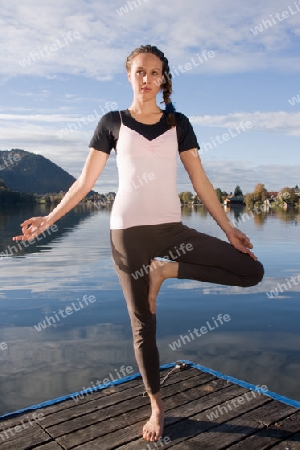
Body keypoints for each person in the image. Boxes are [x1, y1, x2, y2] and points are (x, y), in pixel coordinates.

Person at [13, 45, 264, 442]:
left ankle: (167, 271)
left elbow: (200, 181)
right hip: (127, 233)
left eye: (155, 73)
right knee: (143, 325)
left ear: (164, 78)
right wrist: (50, 218)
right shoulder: (112, 123)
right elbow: (85, 182)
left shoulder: (178, 123)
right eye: (140, 72)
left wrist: (228, 229)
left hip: (172, 231)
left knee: (251, 270)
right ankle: (157, 406)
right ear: (129, 75)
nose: (147, 80)